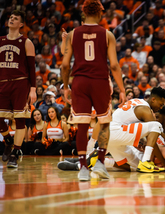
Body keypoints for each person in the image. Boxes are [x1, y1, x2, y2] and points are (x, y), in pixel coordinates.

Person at [61, 0, 125, 181]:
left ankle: (82, 168)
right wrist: (121, 89)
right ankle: (100, 164)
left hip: (80, 81)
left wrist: (66, 87)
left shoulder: (73, 34)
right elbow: (113, 65)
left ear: (83, 13)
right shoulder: (107, 35)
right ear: (99, 13)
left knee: (82, 125)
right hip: (99, 82)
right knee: (104, 122)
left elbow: (65, 65)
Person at [0, 10, 37, 168]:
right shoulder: (0, 40)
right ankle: (8, 140)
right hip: (2, 83)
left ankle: (15, 152)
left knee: (20, 118)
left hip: (20, 83)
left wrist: (33, 89)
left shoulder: (26, 42)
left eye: (15, 18)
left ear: (21, 24)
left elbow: (31, 68)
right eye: (11, 18)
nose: (12, 20)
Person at [108, 87, 165, 173]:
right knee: (156, 126)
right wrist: (164, 162)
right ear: (153, 99)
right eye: (161, 104)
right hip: (117, 132)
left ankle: (99, 160)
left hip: (109, 136)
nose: (161, 107)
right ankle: (145, 162)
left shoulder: (137, 101)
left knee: (136, 166)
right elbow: (152, 141)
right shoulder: (145, 110)